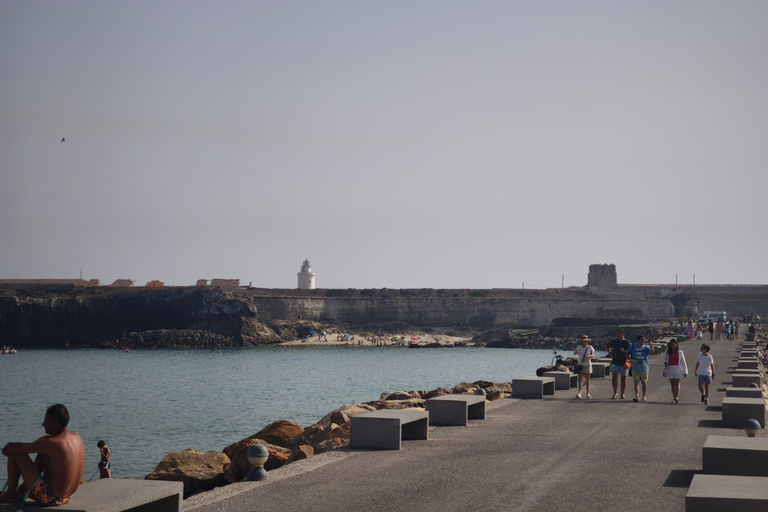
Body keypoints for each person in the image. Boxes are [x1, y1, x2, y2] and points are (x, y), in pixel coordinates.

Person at [0, 404, 85, 507]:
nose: (43, 424)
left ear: (55, 424)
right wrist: (40, 442)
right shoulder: (76, 436)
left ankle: (11, 494)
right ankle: (22, 490)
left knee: (17, 454)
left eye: (46, 420)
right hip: (67, 496)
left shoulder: (52, 443)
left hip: (52, 498)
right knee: (43, 445)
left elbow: (7, 450)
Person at [628, 335, 655, 402]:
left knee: (644, 382)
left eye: (644, 340)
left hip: (644, 368)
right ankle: (636, 396)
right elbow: (627, 356)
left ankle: (644, 396)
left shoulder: (645, 347)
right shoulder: (633, 346)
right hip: (635, 368)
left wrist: (651, 345)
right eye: (642, 340)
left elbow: (652, 352)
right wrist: (634, 361)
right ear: (638, 340)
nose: (643, 341)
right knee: (636, 382)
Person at [606, 329, 631, 399]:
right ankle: (615, 393)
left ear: (623, 334)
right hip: (615, 362)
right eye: (617, 335)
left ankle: (622, 394)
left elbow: (630, 352)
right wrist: (610, 353)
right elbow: (607, 346)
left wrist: (624, 351)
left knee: (623, 378)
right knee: (614, 378)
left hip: (624, 363)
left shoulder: (627, 342)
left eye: (619, 335)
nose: (618, 336)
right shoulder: (614, 341)